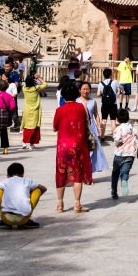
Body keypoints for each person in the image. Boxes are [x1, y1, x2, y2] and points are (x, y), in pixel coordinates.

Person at [53, 84, 92, 213]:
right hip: (79, 146)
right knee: (77, 174)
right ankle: (77, 204)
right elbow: (88, 123)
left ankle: (60, 204)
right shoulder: (82, 107)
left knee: (61, 172)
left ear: (63, 97)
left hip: (63, 147)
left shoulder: (60, 110)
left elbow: (55, 127)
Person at [0, 162, 46, 229]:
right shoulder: (27, 180)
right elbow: (44, 189)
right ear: (23, 174)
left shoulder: (6, 181)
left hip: (6, 219)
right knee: (37, 190)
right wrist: (29, 196)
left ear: (8, 175)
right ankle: (27, 220)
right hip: (23, 219)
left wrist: (4, 199)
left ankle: (3, 221)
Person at [110, 107, 138, 199]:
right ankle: (124, 180)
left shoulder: (118, 129)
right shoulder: (133, 129)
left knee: (115, 173)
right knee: (125, 171)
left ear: (117, 119)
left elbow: (116, 139)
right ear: (128, 118)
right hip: (130, 155)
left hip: (119, 154)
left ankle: (114, 192)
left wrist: (118, 143)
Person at [78, 81, 109, 173]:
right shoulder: (76, 101)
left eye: (87, 89)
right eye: (83, 89)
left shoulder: (93, 101)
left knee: (92, 150)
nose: (86, 91)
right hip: (80, 128)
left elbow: (96, 115)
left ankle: (89, 171)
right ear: (80, 90)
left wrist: (99, 128)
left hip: (92, 129)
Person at [20, 73, 47, 150]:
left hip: (27, 110)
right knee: (34, 127)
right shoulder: (36, 88)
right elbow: (45, 84)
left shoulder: (24, 89)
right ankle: (31, 143)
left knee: (27, 127)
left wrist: (31, 78)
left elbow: (24, 84)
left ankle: (25, 142)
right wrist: (38, 78)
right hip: (35, 110)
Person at [96, 68, 119, 140]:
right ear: (110, 74)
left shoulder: (100, 83)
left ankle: (102, 136)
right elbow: (119, 89)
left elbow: (98, 94)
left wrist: (104, 94)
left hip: (105, 104)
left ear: (103, 75)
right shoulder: (115, 82)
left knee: (104, 120)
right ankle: (114, 136)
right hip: (113, 103)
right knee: (113, 120)